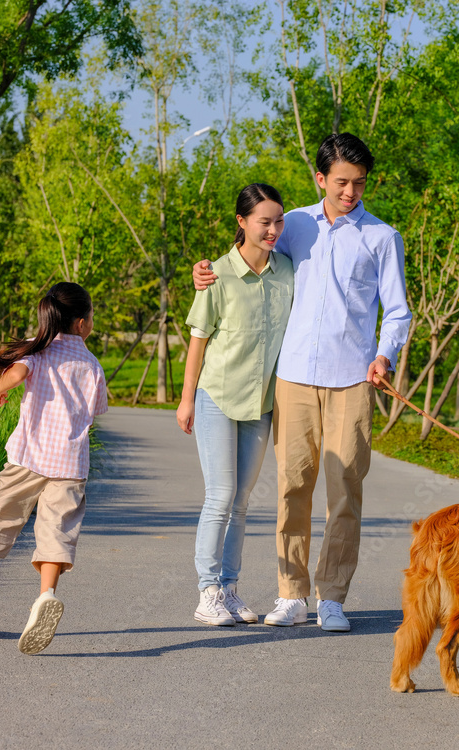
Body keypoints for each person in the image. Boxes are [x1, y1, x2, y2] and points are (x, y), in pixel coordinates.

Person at [194, 133, 411, 632]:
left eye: (358, 183)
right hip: (291, 378)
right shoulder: (293, 225)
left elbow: (397, 311)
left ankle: (332, 596)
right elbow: (249, 253)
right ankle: (290, 594)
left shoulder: (381, 237)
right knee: (292, 487)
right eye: (341, 182)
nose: (351, 192)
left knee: (344, 491)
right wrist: (205, 271)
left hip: (352, 379)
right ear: (320, 179)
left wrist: (384, 354)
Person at [0, 282, 108, 655]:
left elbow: (17, 374)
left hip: (28, 458)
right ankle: (46, 596)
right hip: (70, 464)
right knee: (57, 531)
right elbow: (97, 409)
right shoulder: (92, 365)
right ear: (83, 324)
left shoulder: (37, 354)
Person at [178, 183, 294, 627]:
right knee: (220, 495)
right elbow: (198, 340)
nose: (273, 229)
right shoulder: (217, 276)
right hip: (217, 398)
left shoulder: (287, 272)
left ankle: (229, 588)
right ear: (241, 222)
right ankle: (207, 590)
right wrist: (186, 400)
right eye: (264, 221)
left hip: (261, 403)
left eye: (278, 220)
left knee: (242, 501)